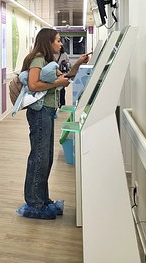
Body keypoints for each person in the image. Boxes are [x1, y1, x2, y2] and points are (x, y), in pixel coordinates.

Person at [16, 28, 90, 220]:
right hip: (39, 112)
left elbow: (65, 78)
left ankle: (42, 199)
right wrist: (57, 84)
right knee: (39, 157)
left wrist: (78, 63)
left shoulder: (48, 61)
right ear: (47, 42)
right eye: (57, 40)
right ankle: (34, 203)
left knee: (46, 157)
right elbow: (33, 85)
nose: (60, 43)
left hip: (47, 112)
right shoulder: (38, 60)